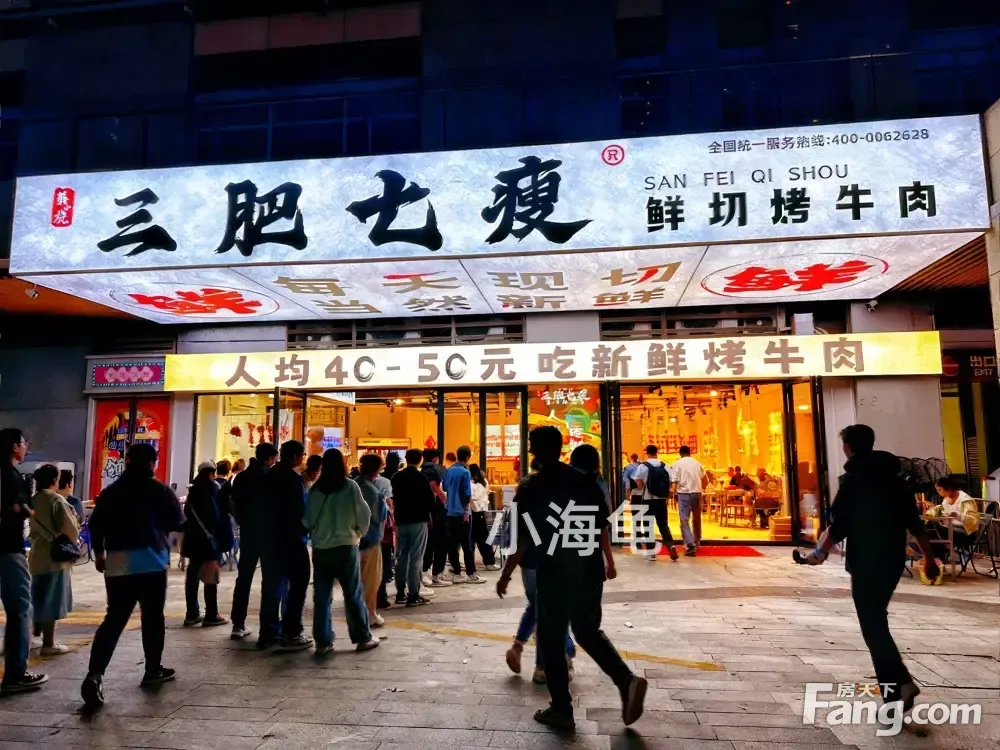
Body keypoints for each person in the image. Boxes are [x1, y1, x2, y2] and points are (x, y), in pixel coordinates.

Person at [497, 426, 644, 731]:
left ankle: (562, 709)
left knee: (551, 641)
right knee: (587, 631)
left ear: (535, 450)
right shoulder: (585, 482)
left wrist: (506, 574)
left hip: (554, 573)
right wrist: (607, 562)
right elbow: (601, 527)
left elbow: (524, 537)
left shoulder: (531, 486)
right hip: (588, 570)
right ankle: (626, 680)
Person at [802, 424, 940, 714]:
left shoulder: (853, 480)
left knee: (873, 625)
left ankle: (899, 688)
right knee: (877, 619)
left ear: (848, 447)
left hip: (865, 560)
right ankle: (899, 687)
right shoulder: (896, 479)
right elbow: (914, 522)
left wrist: (820, 552)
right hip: (892, 559)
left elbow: (840, 524)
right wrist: (929, 558)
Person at [82, 443, 184, 707]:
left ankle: (95, 674)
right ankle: (152, 670)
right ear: (152, 463)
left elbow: (96, 525)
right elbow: (177, 521)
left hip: (118, 562)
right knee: (152, 617)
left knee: (114, 619)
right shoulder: (159, 490)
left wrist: (99, 553)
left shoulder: (112, 491)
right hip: (151, 561)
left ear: (127, 461)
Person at [305, 449, 380, 655]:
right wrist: (358, 534)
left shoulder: (316, 489)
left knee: (321, 597)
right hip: (346, 547)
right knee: (353, 593)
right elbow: (364, 515)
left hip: (321, 549)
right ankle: (362, 637)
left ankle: (323, 642)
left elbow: (307, 520)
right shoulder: (350, 486)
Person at [0, 428, 47, 695]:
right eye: (23, 443)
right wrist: (23, 509)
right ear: (15, 447)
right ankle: (16, 674)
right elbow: (19, 509)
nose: (26, 447)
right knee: (20, 609)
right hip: (8, 549)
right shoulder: (11, 475)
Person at [259, 440, 312, 652]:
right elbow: (300, 511)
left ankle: (268, 633)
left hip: (269, 539)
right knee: (298, 584)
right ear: (296, 456)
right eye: (302, 455)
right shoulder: (292, 479)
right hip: (291, 540)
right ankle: (291, 631)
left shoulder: (269, 475)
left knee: (271, 587)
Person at [28, 464, 79, 657]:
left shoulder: (33, 500)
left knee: (38, 599)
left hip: (37, 557)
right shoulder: (57, 500)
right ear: (54, 481)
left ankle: (34, 636)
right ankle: (49, 644)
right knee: (52, 600)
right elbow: (71, 531)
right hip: (54, 558)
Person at [229, 443, 277, 641]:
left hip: (248, 533)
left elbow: (231, 501)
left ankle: (238, 624)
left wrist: (242, 520)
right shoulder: (271, 477)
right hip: (268, 534)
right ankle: (268, 626)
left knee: (244, 577)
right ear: (270, 458)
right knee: (270, 579)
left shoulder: (242, 477)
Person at [182, 462, 229, 629]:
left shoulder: (193, 490)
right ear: (211, 474)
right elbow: (216, 516)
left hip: (193, 540)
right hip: (208, 540)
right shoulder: (212, 490)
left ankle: (192, 613)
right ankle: (211, 614)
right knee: (210, 577)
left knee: (192, 576)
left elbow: (187, 512)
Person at [391, 449, 434, 606]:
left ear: (406, 459)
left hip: (401, 521)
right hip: (418, 521)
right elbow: (430, 500)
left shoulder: (397, 477)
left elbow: (393, 497)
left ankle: (400, 592)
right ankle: (413, 594)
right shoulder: (422, 478)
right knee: (416, 558)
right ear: (420, 460)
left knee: (401, 557)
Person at [444, 446, 486, 584]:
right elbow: (466, 493)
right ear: (467, 457)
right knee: (467, 544)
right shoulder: (465, 472)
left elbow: (444, 488)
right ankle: (471, 573)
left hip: (450, 512)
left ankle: (457, 572)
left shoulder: (449, 470)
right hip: (462, 513)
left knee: (452, 544)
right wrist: (466, 512)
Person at [357, 454, 388, 627]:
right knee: (371, 580)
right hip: (370, 540)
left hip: (353, 541)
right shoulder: (373, 491)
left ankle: (359, 614)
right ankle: (369, 614)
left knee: (357, 581)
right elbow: (378, 516)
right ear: (377, 469)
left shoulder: (353, 484)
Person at [633, 445, 677, 561]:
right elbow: (672, 482)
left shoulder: (643, 466)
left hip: (648, 499)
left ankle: (651, 552)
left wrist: (644, 488)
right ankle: (671, 545)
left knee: (648, 525)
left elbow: (639, 484)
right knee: (663, 524)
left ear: (647, 453)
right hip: (661, 501)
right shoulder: (665, 465)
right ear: (657, 453)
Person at [423, 449, 451, 587]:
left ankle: (425, 573)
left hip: (425, 513)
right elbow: (433, 485)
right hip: (437, 512)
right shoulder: (434, 469)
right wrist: (443, 496)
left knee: (428, 544)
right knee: (441, 542)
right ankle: (436, 574)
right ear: (435, 458)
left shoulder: (421, 470)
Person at [672, 446, 707, 557]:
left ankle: (690, 545)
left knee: (684, 520)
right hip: (697, 494)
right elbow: (705, 479)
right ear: (689, 453)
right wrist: (701, 489)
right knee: (697, 518)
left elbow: (674, 481)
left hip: (684, 494)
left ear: (680, 453)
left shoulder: (677, 464)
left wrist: (674, 493)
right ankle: (697, 541)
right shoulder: (697, 463)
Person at [376, 454, 397, 610]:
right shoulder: (385, 482)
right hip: (382, 530)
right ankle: (381, 596)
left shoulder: (356, 483)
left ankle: (368, 595)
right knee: (384, 560)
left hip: (363, 533)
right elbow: (389, 504)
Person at [931, 475, 979, 544]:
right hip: (950, 528)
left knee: (933, 532)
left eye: (940, 490)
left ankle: (944, 549)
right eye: (937, 491)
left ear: (949, 488)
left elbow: (973, 520)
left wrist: (957, 515)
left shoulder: (965, 499)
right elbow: (945, 514)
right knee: (931, 529)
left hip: (966, 532)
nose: (939, 493)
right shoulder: (946, 500)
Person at [469, 463, 499, 570]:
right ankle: (489, 562)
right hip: (481, 513)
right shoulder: (484, 482)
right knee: (483, 538)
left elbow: (471, 497)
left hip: (472, 512)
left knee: (471, 539)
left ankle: (471, 565)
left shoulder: (470, 484)